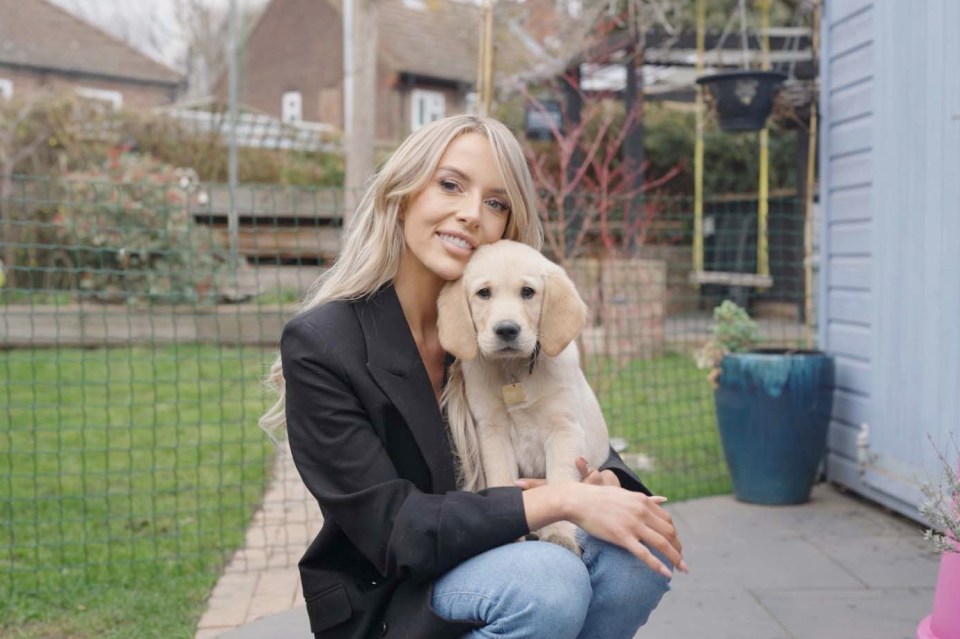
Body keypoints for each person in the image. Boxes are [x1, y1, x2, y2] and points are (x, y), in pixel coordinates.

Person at [260, 114, 686, 639]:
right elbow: (397, 531)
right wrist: (558, 501)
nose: (470, 214)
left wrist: (605, 484)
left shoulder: (508, 322)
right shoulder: (324, 342)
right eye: (450, 185)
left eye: (496, 202)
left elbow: (572, 420)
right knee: (549, 583)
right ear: (402, 192)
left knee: (636, 562)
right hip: (395, 591)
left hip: (502, 550)